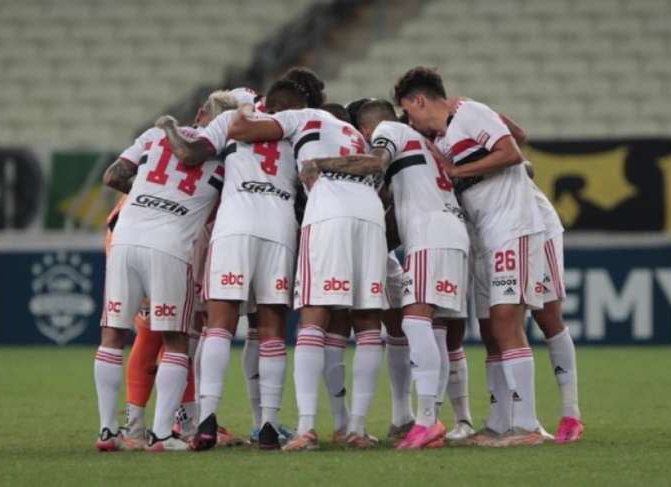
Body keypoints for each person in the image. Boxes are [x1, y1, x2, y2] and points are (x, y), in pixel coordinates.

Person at [227, 80, 388, 450]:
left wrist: (245, 105)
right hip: (370, 216)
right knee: (366, 322)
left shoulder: (301, 117)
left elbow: (241, 128)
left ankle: (306, 429)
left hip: (329, 214)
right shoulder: (352, 133)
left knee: (313, 318)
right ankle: (356, 429)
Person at [300, 98, 470, 449]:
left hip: (429, 234)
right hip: (446, 231)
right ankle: (414, 418)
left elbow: (376, 161)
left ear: (366, 132)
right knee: (429, 326)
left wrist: (320, 164)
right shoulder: (422, 143)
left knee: (414, 323)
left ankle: (426, 420)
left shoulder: (387, 133)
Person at [394, 67, 546, 447]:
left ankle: (526, 424)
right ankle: (498, 424)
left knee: (508, 321)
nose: (409, 120)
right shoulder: (444, 139)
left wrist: (457, 169)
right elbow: (518, 133)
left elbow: (512, 151)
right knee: (493, 328)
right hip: (483, 237)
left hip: (514, 226)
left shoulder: (467, 113)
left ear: (419, 100)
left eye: (408, 111)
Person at [157, 88, 297, 451]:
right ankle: (267, 426)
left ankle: (206, 420)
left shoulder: (229, 121)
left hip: (234, 226)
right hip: (280, 229)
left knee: (218, 326)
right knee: (271, 330)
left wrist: (170, 126)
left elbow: (189, 155)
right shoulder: (296, 126)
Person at [94, 93, 229, 452]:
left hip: (124, 236)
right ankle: (162, 434)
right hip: (170, 245)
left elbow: (115, 175)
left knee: (113, 334)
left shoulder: (152, 137)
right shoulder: (229, 155)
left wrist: (149, 193)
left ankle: (108, 432)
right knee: (174, 340)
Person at [524, 160, 584, 443]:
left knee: (547, 317)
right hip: (493, 231)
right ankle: (517, 418)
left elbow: (524, 165)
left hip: (536, 225)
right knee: (499, 322)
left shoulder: (467, 120)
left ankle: (571, 414)